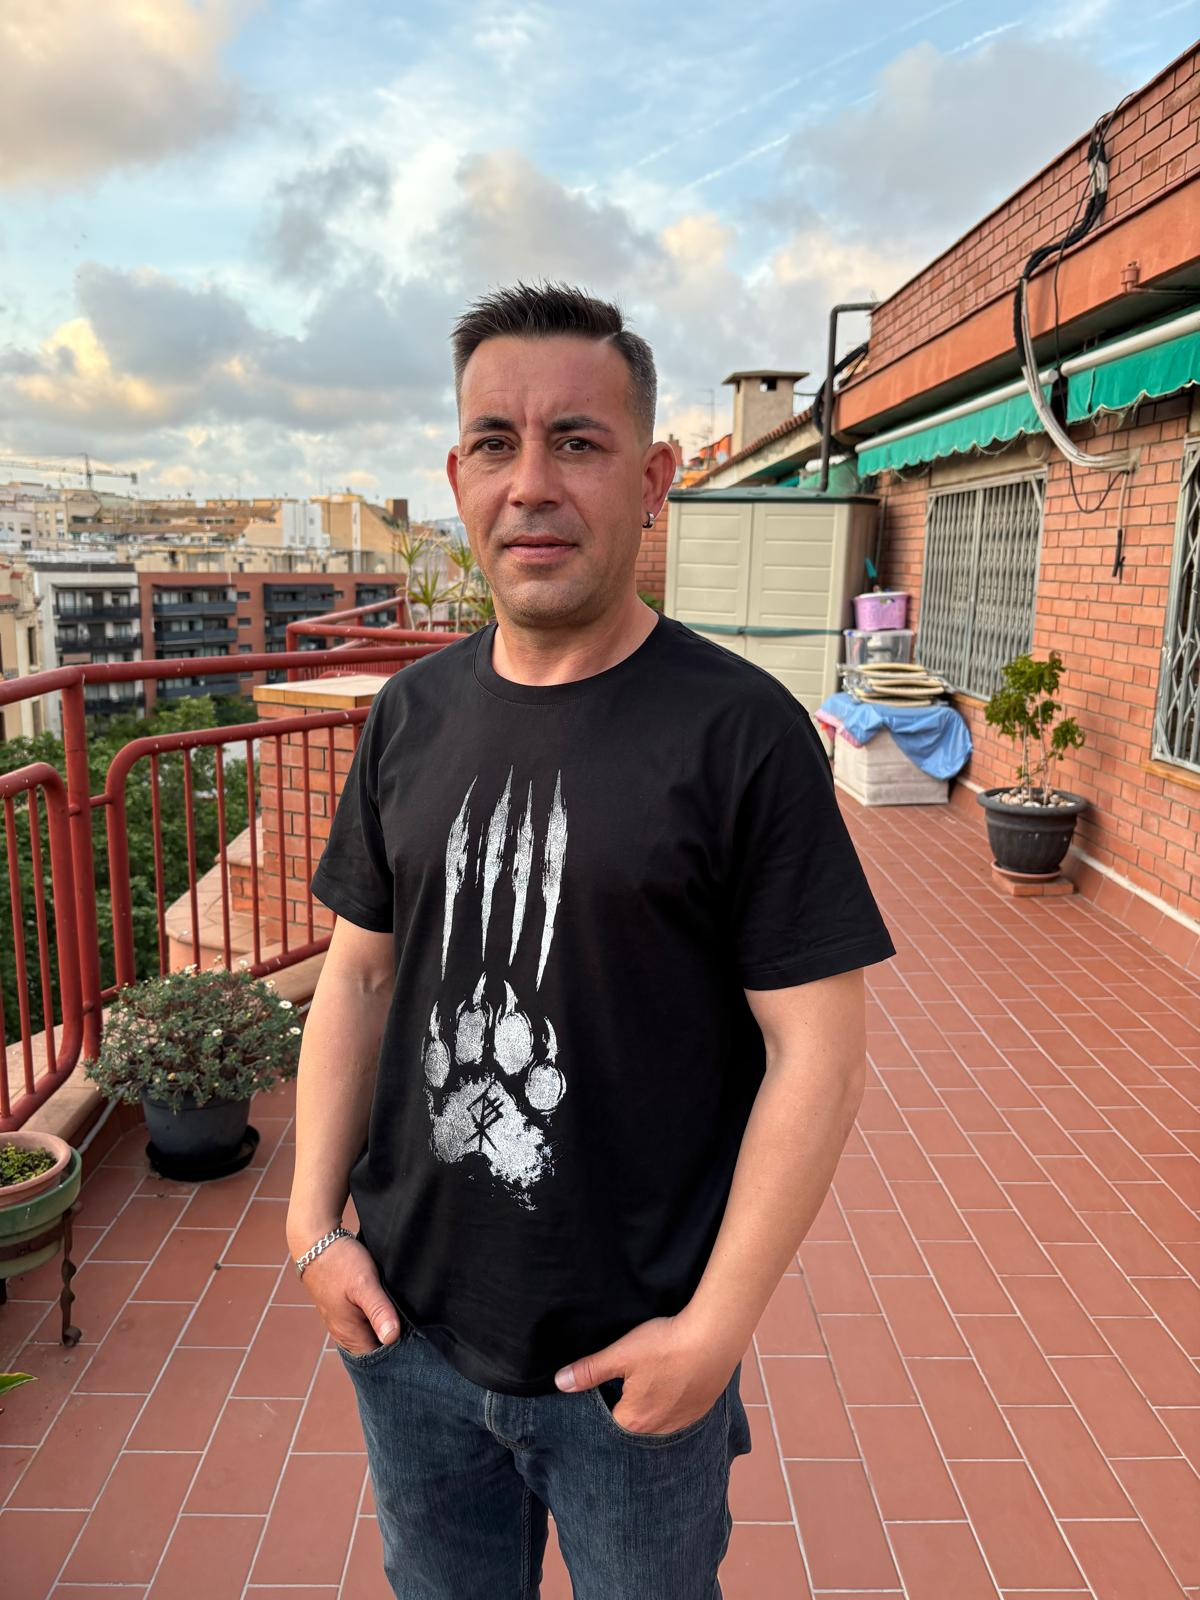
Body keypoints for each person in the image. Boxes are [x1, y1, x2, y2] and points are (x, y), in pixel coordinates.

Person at [288, 281, 895, 1600]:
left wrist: (715, 1330)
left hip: (634, 1363)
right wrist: (310, 1230)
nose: (533, 484)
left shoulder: (742, 734)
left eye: (578, 442)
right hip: (408, 1333)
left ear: (653, 478)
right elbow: (361, 975)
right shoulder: (408, 716)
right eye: (495, 444)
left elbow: (820, 1057)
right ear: (458, 477)